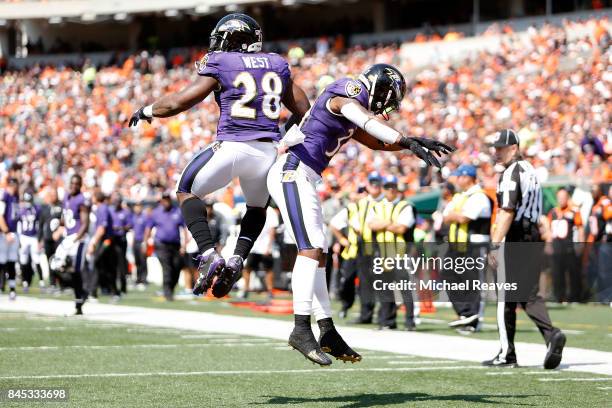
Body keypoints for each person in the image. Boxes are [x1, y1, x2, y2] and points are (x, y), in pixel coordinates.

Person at [267, 63, 454, 365]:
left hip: (305, 175)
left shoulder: (354, 111)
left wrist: (411, 143)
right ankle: (301, 328)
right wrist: (405, 140)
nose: (387, 105)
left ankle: (326, 329)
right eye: (388, 97)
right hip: (292, 170)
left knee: (320, 253)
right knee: (311, 250)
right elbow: (367, 122)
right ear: (379, 87)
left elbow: (377, 142)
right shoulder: (349, 91)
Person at [129, 13, 311, 299]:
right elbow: (305, 111)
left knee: (186, 190)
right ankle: (238, 257)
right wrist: (286, 136)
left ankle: (209, 254)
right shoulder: (276, 63)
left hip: (233, 146)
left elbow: (180, 101)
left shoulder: (222, 62)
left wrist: (147, 110)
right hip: (267, 152)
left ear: (236, 41)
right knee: (256, 208)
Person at [484, 129, 566, 369]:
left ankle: (506, 353)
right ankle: (552, 335)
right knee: (528, 294)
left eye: (501, 148)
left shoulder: (511, 173)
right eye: (495, 148)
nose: (497, 152)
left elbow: (507, 211)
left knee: (505, 297)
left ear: (514, 148)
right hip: (533, 235)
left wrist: (495, 244)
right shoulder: (530, 170)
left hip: (516, 235)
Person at [442, 164, 492, 333]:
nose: (458, 179)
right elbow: (446, 217)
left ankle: (473, 319)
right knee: (449, 276)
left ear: (469, 178)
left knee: (472, 281)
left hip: (475, 244)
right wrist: (456, 214)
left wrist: (456, 214)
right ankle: (465, 313)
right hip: (457, 244)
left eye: (461, 176)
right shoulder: (460, 197)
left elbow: (464, 217)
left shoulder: (479, 196)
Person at [367, 174, 418, 331]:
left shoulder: (406, 206)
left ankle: (410, 321)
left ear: (396, 190)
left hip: (400, 253)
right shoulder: (377, 206)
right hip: (382, 253)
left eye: (392, 188)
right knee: (384, 288)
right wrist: (389, 223)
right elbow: (371, 225)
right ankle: (387, 321)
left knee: (404, 288)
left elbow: (401, 228)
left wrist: (383, 224)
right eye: (386, 188)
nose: (389, 191)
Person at [53, 174, 90, 315]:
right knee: (56, 265)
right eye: (72, 183)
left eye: (77, 184)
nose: (74, 186)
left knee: (75, 270)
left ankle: (79, 303)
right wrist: (59, 227)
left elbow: (85, 224)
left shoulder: (82, 200)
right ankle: (82, 292)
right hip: (68, 236)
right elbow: (66, 218)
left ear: (80, 185)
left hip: (78, 238)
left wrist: (76, 240)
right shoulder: (67, 197)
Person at [144, 193, 189, 301]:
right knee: (167, 267)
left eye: (167, 200)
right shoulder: (156, 213)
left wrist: (184, 245)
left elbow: (184, 229)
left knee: (177, 266)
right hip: (161, 244)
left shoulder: (178, 211)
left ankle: (171, 288)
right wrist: (145, 242)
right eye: (163, 200)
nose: (165, 202)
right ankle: (167, 292)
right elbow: (148, 228)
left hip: (175, 245)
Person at [546, 188, 584, 303]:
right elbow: (548, 230)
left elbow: (580, 228)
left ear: (567, 198)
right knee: (557, 273)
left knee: (573, 273)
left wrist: (580, 244)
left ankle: (574, 297)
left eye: (564, 197)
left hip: (569, 247)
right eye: (560, 197)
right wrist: (548, 244)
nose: (561, 199)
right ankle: (559, 297)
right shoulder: (553, 212)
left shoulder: (573, 211)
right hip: (557, 246)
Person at [240, 205, 279, 299]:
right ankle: (246, 290)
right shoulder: (249, 208)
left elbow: (272, 229)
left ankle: (270, 291)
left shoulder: (270, 211)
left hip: (265, 245)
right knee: (247, 268)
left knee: (268, 269)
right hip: (253, 245)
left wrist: (269, 246)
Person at [86, 191, 117, 304]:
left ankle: (93, 292)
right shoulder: (100, 208)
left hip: (105, 241)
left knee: (97, 264)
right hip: (103, 240)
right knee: (104, 266)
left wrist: (93, 242)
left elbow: (102, 228)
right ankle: (112, 291)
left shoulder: (102, 208)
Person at [586, 184, 611, 303]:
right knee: (600, 270)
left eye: (595, 189)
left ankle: (607, 296)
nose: (592, 192)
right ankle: (601, 296)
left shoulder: (604, 202)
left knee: (605, 270)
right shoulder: (595, 204)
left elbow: (608, 216)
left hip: (604, 242)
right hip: (596, 243)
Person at [38, 187, 63, 289]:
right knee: (50, 261)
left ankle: (62, 284)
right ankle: (52, 283)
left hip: (59, 239)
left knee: (60, 261)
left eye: (54, 194)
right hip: (48, 238)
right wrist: (39, 240)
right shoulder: (45, 208)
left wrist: (59, 231)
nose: (53, 196)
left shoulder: (61, 207)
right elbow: (41, 225)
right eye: (51, 194)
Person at [18, 190, 43, 292]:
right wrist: (19, 239)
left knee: (36, 259)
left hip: (33, 237)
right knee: (23, 260)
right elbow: (18, 225)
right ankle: (25, 282)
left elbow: (39, 224)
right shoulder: (21, 210)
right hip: (24, 237)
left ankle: (41, 282)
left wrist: (39, 239)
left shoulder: (36, 209)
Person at [0, 178, 20, 299]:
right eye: (12, 186)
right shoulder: (5, 196)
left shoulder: (16, 197)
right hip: (4, 233)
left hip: (14, 232)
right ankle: (1, 286)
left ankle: (12, 288)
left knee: (12, 261)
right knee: (1, 261)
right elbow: (0, 216)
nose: (14, 188)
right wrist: (6, 231)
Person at [131, 203, 150, 287]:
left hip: (142, 241)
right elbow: (132, 230)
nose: (136, 209)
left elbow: (147, 230)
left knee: (143, 261)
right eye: (135, 207)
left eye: (138, 207)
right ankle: (138, 279)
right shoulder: (133, 217)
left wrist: (145, 242)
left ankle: (144, 279)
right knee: (137, 261)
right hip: (135, 241)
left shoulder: (144, 217)